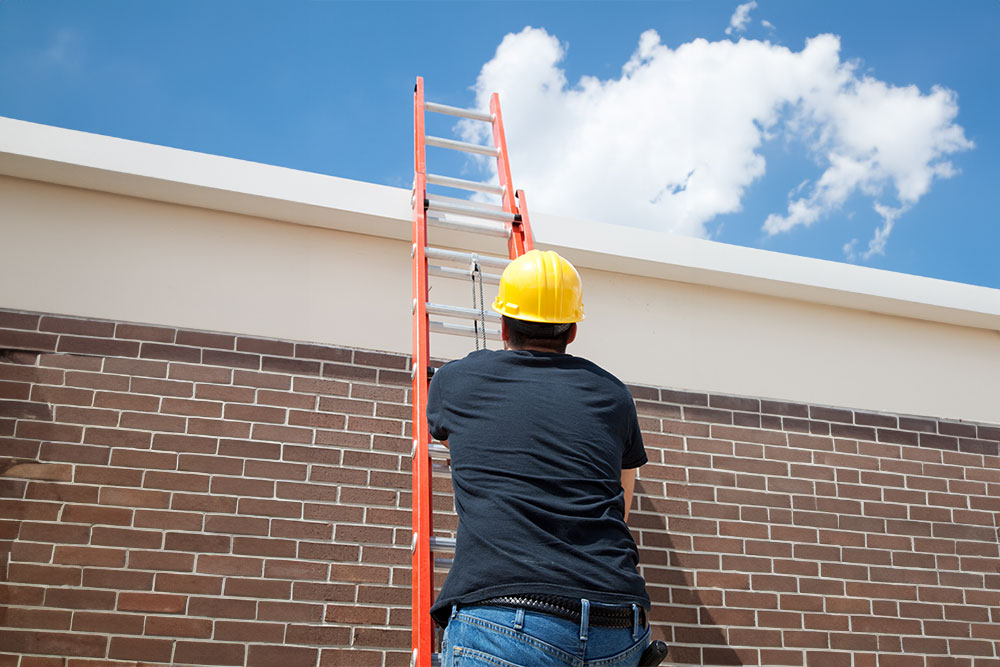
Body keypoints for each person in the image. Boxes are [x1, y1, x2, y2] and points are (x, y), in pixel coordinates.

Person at [427, 249, 661, 667]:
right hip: (616, 624)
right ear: (572, 331)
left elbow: (461, 451)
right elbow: (620, 505)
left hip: (502, 618)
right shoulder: (613, 395)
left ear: (501, 325)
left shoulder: (454, 381)